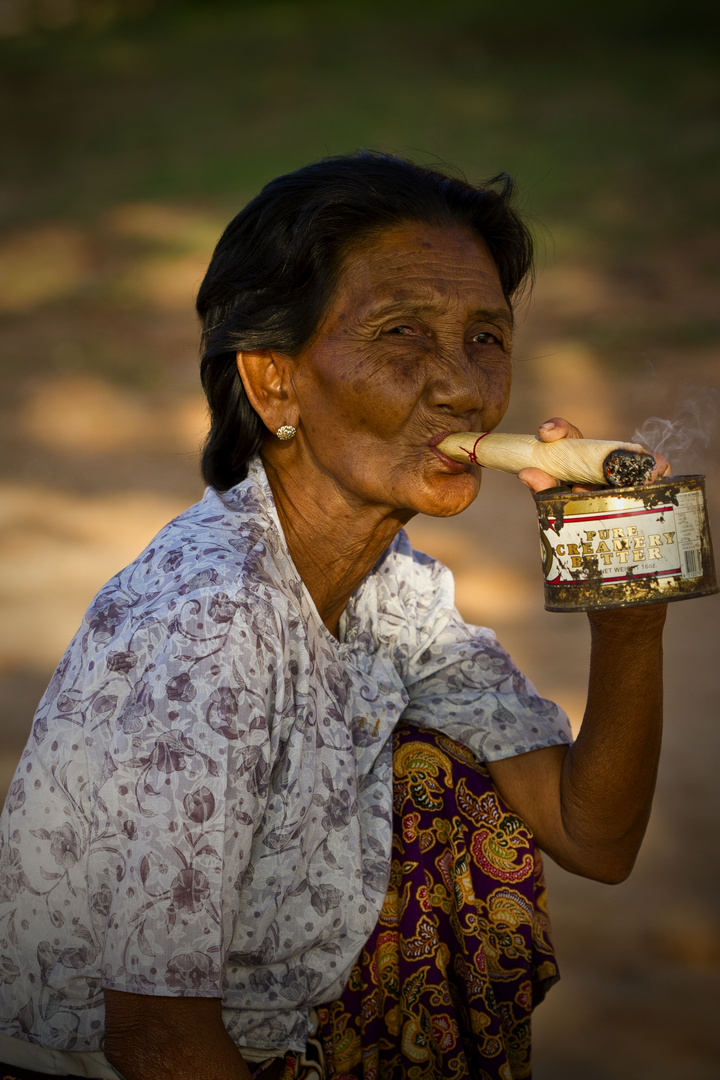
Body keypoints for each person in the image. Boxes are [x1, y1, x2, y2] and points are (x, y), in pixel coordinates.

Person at [0, 152, 668, 1080]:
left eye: (487, 337)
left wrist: (626, 612)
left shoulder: (394, 591)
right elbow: (153, 1036)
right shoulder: (217, 616)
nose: (465, 388)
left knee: (444, 780)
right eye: (401, 334)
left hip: (276, 1044)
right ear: (275, 383)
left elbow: (594, 835)